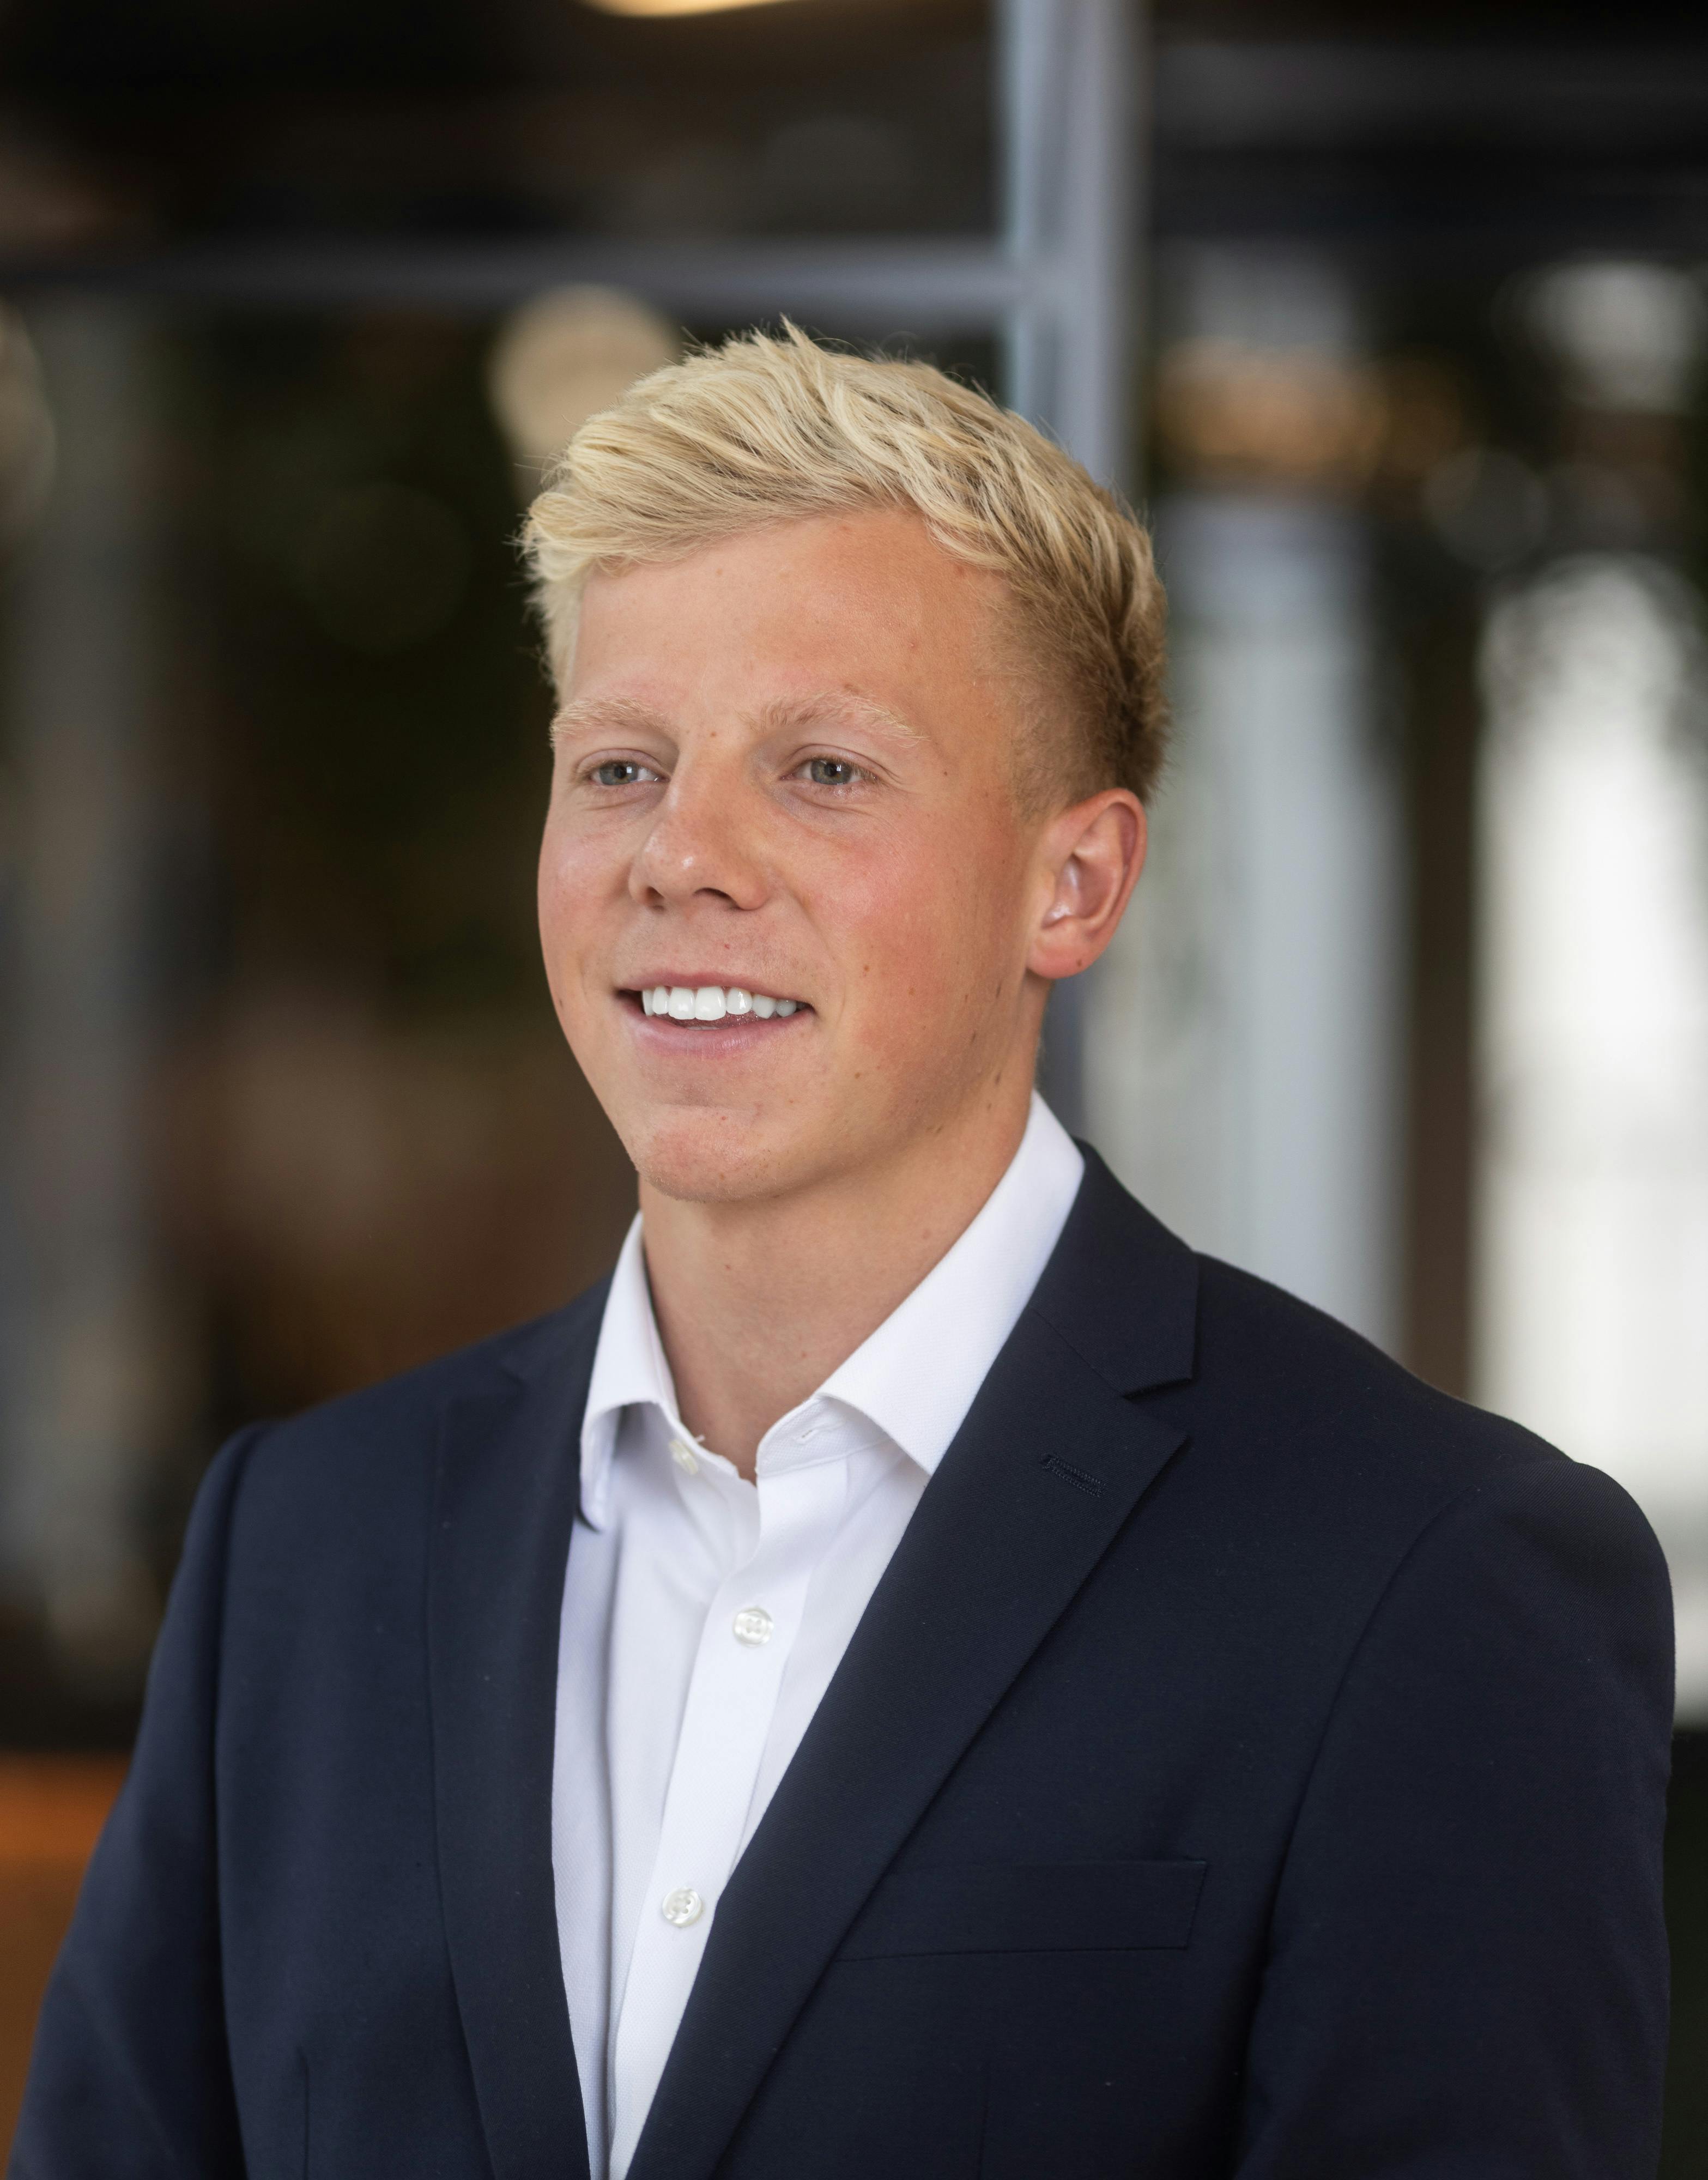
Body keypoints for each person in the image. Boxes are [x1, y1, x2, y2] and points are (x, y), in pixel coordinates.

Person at [14, 328, 1672, 2180]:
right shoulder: (306, 1549)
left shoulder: (1425, 1581)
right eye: (621, 764)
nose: (681, 856)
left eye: (822, 769)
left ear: (1075, 884)